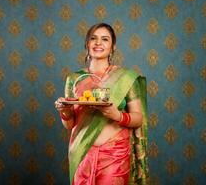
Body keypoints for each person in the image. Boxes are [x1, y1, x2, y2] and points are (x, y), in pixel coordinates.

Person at [55, 23, 148, 185]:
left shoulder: (125, 78)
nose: (98, 43)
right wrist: (65, 111)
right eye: (93, 38)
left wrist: (117, 115)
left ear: (112, 47)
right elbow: (69, 125)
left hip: (115, 155)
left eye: (105, 39)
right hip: (82, 153)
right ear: (87, 44)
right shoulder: (74, 79)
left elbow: (138, 118)